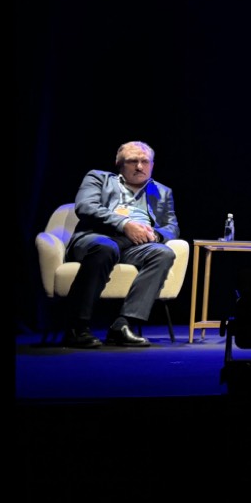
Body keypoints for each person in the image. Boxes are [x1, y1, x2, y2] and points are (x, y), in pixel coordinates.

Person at [61, 140, 179, 348]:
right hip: (97, 238)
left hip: (135, 246)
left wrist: (154, 235)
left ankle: (123, 325)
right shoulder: (98, 178)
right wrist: (124, 225)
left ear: (152, 165)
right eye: (133, 161)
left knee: (163, 253)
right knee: (107, 248)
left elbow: (171, 226)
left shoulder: (162, 191)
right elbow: (86, 207)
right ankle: (76, 327)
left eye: (145, 161)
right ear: (119, 164)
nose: (140, 167)